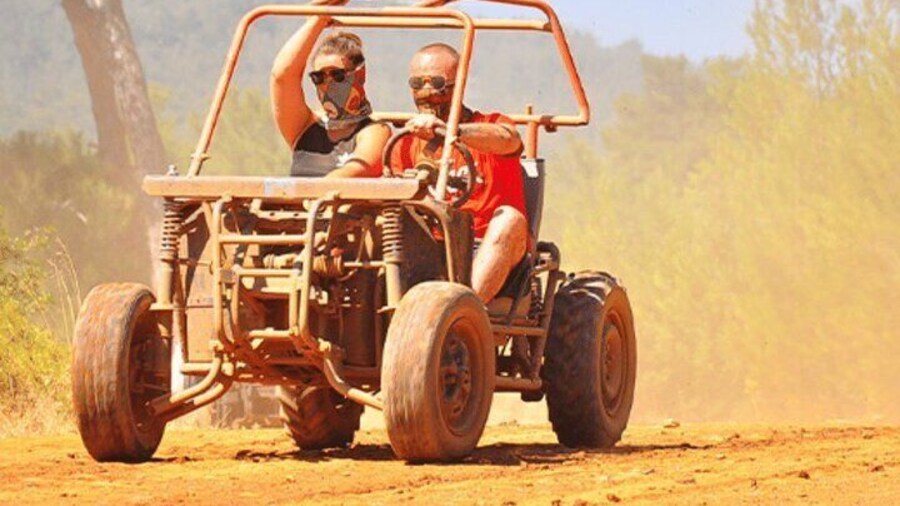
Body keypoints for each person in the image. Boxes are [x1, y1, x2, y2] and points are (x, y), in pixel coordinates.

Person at [390, 43, 529, 304]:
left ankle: (462, 310)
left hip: (486, 246)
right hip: (427, 249)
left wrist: (453, 132)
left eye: (438, 83)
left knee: (509, 219)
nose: (427, 93)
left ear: (459, 86)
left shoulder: (489, 125)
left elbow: (508, 139)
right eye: (418, 83)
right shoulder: (405, 143)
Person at [270, 15, 390, 178]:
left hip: (326, 202)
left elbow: (354, 172)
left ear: (359, 75)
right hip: (299, 202)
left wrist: (304, 196)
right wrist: (316, 20)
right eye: (318, 77)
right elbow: (282, 77)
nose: (327, 84)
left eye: (337, 75)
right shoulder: (303, 128)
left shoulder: (375, 131)